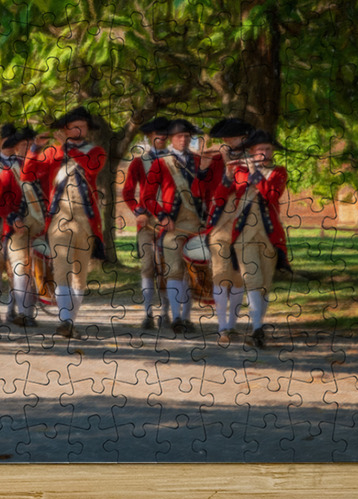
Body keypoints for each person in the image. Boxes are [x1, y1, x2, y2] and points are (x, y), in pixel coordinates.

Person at [23, 106, 107, 339]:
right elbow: (28, 175)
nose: (80, 129)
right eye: (74, 125)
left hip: (86, 220)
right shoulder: (53, 152)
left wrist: (68, 147)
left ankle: (70, 321)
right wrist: (36, 148)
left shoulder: (96, 151)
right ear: (65, 129)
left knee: (80, 274)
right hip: (59, 217)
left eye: (83, 125)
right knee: (61, 269)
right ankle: (65, 321)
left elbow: (91, 168)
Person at [202, 127, 289, 348]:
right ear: (251, 151)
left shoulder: (279, 172)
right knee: (252, 278)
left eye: (268, 149)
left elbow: (271, 195)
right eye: (260, 149)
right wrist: (227, 178)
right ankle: (257, 330)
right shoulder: (239, 171)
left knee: (265, 283)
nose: (264, 153)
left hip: (270, 234)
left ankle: (258, 324)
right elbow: (220, 199)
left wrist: (254, 173)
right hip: (243, 233)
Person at [141, 118, 206, 336]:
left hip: (198, 225)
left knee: (194, 273)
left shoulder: (199, 162)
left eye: (187, 136)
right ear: (171, 138)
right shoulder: (161, 163)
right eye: (180, 136)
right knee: (174, 271)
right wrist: (162, 216)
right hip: (172, 226)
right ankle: (177, 317)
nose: (184, 140)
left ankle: (186, 317)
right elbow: (148, 197)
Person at [0, 123, 40, 326]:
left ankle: (18, 310)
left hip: (30, 221)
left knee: (27, 266)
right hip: (1, 220)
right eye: (22, 144)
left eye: (28, 144)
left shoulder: (29, 165)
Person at [122, 116, 171, 330]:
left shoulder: (175, 160)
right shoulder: (139, 161)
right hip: (147, 221)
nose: (161, 137)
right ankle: (147, 313)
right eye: (157, 134)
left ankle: (166, 313)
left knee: (170, 268)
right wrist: (137, 211)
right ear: (150, 137)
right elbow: (127, 191)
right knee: (147, 266)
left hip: (170, 219)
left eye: (165, 134)